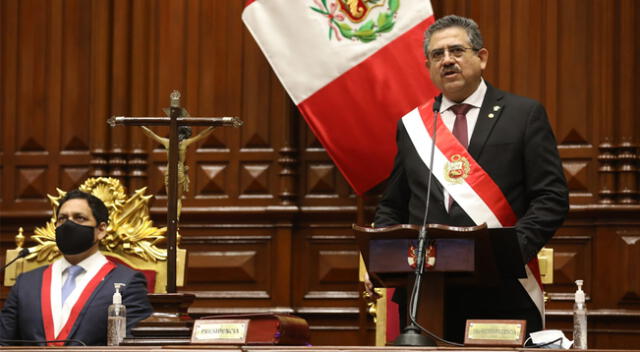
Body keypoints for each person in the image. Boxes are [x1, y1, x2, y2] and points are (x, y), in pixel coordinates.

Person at [372, 15, 569, 342]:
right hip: (427, 294)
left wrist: (509, 254)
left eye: (456, 50)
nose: (447, 60)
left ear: (481, 57)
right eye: (437, 55)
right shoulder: (414, 126)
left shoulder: (523, 115)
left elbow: (551, 198)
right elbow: (393, 204)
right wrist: (381, 249)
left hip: (502, 289)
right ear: (429, 66)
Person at [0, 190, 153, 346]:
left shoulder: (128, 282)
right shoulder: (26, 283)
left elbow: (133, 345)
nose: (69, 224)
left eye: (79, 218)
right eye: (62, 219)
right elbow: (3, 342)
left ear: (101, 230)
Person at [141, 125, 215, 218]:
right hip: (179, 168)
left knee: (170, 198)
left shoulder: (167, 142)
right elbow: (201, 135)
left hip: (169, 169)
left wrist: (140, 125)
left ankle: (171, 221)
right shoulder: (184, 143)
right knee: (178, 199)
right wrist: (214, 126)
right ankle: (175, 220)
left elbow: (151, 134)